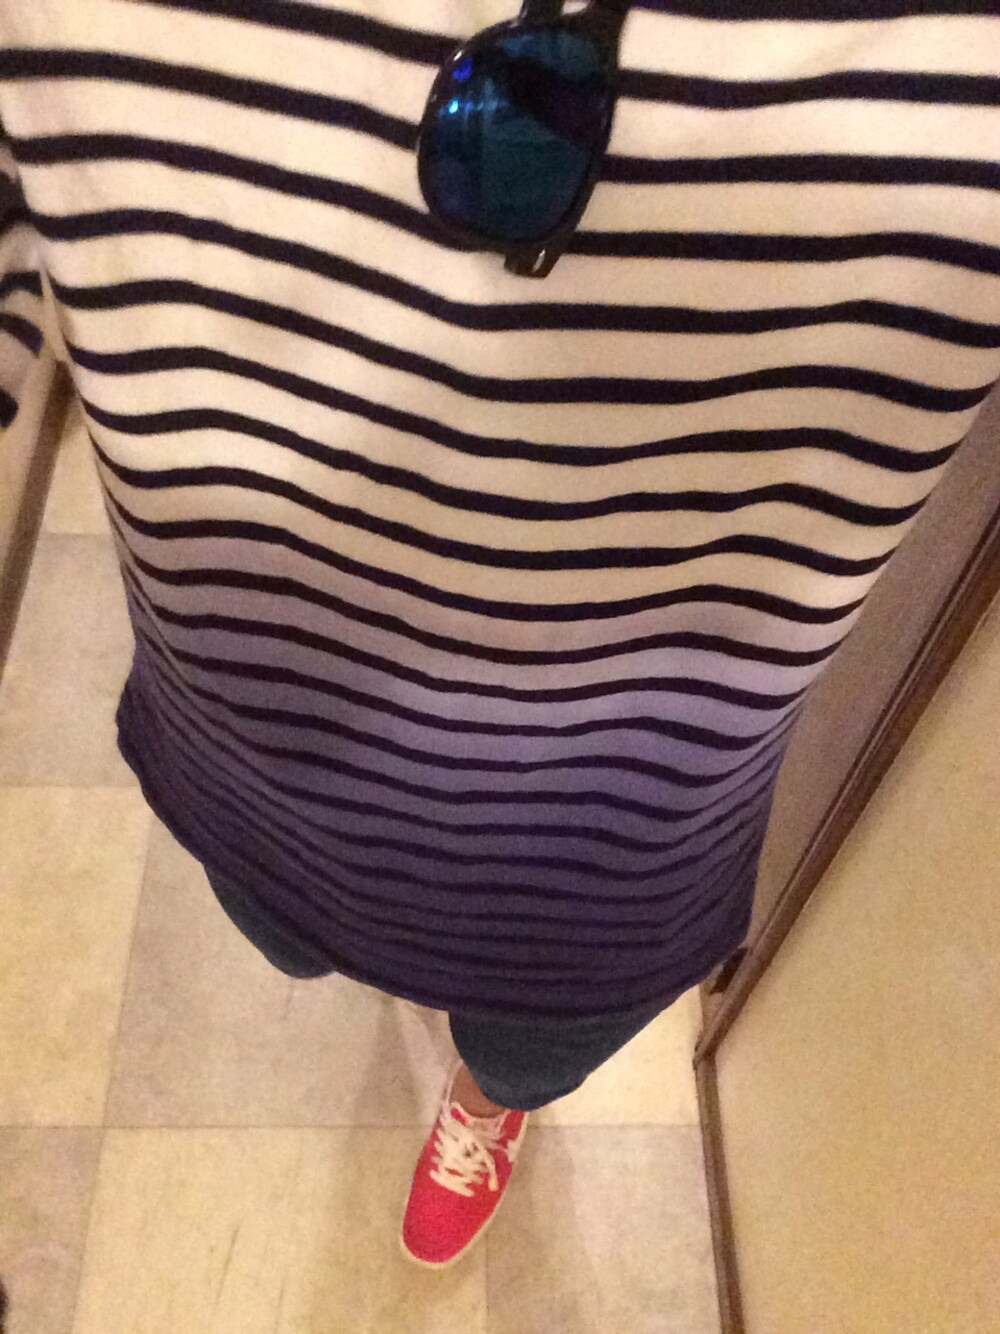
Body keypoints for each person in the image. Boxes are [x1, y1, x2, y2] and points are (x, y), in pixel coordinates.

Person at [1, 0, 997, 1272]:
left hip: (615, 831)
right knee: (292, 939)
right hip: (254, 752)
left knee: (528, 1044)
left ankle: (487, 1103)